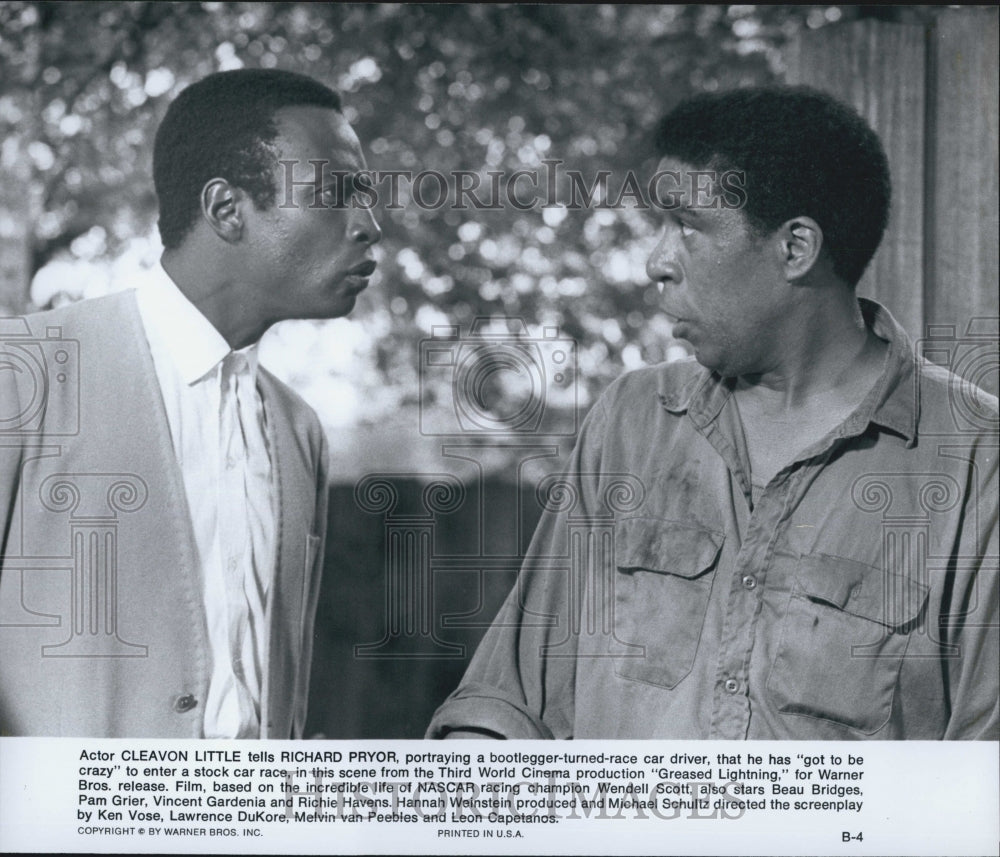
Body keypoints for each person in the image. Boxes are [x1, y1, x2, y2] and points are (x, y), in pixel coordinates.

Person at [427, 86, 998, 740]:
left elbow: (983, 789)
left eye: (688, 226)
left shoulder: (977, 462)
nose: (656, 261)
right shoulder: (631, 421)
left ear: (795, 249)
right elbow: (506, 703)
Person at [0, 68, 381, 737]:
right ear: (227, 209)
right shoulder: (22, 374)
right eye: (334, 194)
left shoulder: (299, 432)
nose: (369, 226)